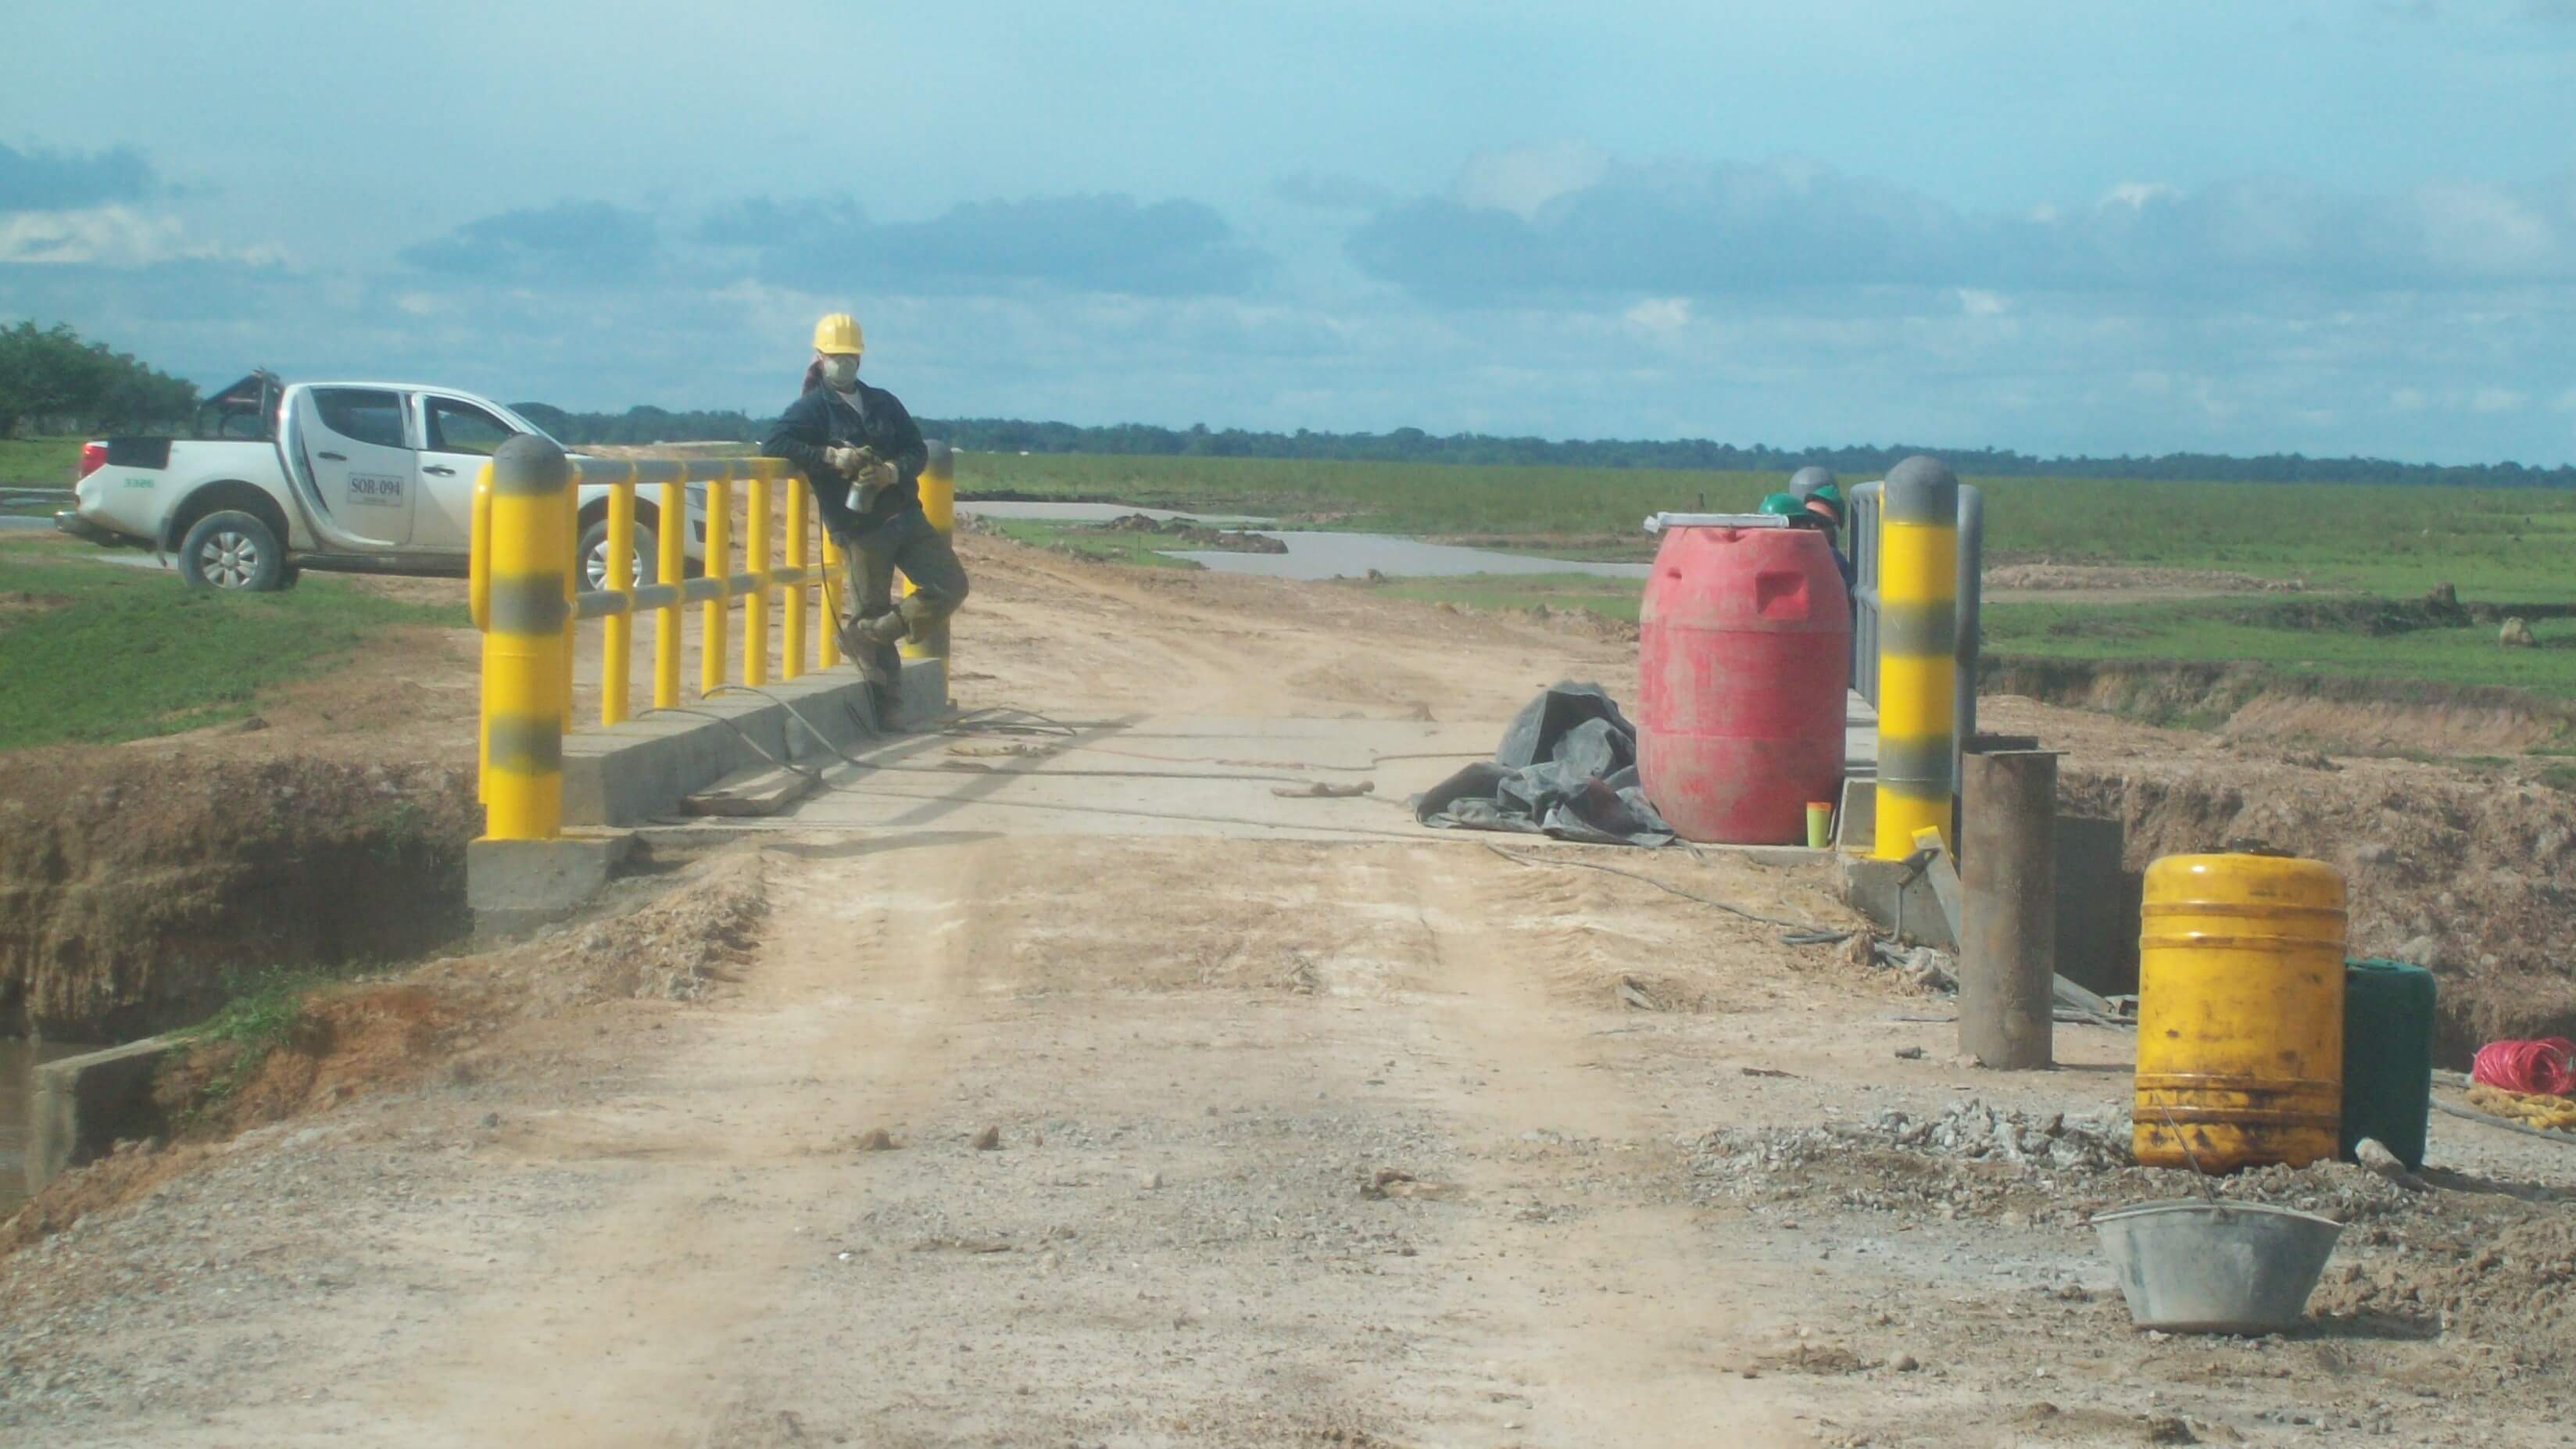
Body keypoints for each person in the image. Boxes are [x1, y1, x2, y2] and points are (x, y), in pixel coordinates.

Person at [761, 312, 968, 688]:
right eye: (836, 356)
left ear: (860, 358)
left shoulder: (882, 403)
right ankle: (884, 707)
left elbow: (915, 450)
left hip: (904, 514)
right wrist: (829, 457)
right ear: (820, 358)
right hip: (860, 528)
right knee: (871, 615)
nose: (844, 364)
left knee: (950, 585)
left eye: (850, 356)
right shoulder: (812, 410)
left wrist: (890, 471)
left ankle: (869, 634)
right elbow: (775, 444)